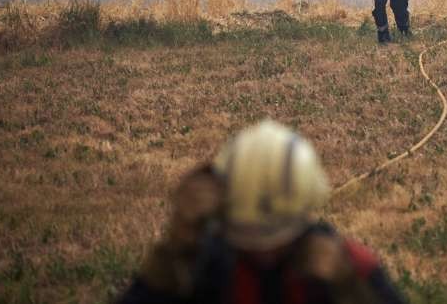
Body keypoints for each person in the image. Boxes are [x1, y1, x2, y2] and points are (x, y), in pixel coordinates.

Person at [117, 119, 405, 304]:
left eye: (276, 238)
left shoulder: (346, 267)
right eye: (247, 236)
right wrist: (172, 254)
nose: (264, 253)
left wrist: (349, 289)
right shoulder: (204, 267)